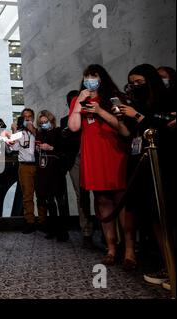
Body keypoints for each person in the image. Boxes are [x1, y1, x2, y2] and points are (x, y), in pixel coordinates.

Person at [68, 64, 134, 268]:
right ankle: (111, 248)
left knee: (122, 202)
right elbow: (74, 127)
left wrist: (99, 110)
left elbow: (123, 128)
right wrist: (79, 101)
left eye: (94, 76)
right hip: (93, 155)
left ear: (102, 78)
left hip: (114, 153)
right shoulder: (78, 100)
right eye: (86, 76)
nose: (90, 79)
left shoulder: (114, 97)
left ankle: (130, 251)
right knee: (102, 201)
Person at [117, 64, 176, 284]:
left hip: (165, 163)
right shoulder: (137, 104)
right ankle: (167, 265)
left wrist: (139, 115)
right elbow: (130, 134)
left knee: (167, 217)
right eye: (132, 83)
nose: (135, 86)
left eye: (140, 82)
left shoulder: (167, 98)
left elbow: (163, 125)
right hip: (143, 164)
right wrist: (124, 117)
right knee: (155, 218)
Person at [60, 90, 93, 248]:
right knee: (82, 197)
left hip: (93, 158)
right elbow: (63, 144)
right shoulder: (65, 121)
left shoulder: (91, 114)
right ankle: (87, 232)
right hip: (76, 160)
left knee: (103, 196)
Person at [35, 110, 69, 241]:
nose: (43, 124)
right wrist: (38, 149)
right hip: (43, 171)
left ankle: (63, 231)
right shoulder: (40, 134)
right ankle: (53, 229)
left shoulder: (59, 132)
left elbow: (63, 151)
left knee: (60, 201)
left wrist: (51, 148)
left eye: (45, 122)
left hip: (56, 170)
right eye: (41, 123)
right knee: (49, 201)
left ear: (51, 120)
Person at [8, 108, 40, 233]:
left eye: (29, 116)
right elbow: (12, 148)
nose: (27, 118)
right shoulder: (19, 132)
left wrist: (32, 129)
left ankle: (43, 221)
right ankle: (30, 222)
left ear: (33, 117)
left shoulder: (38, 131)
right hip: (25, 167)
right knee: (27, 196)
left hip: (39, 166)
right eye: (25, 116)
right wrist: (14, 130)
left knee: (42, 195)